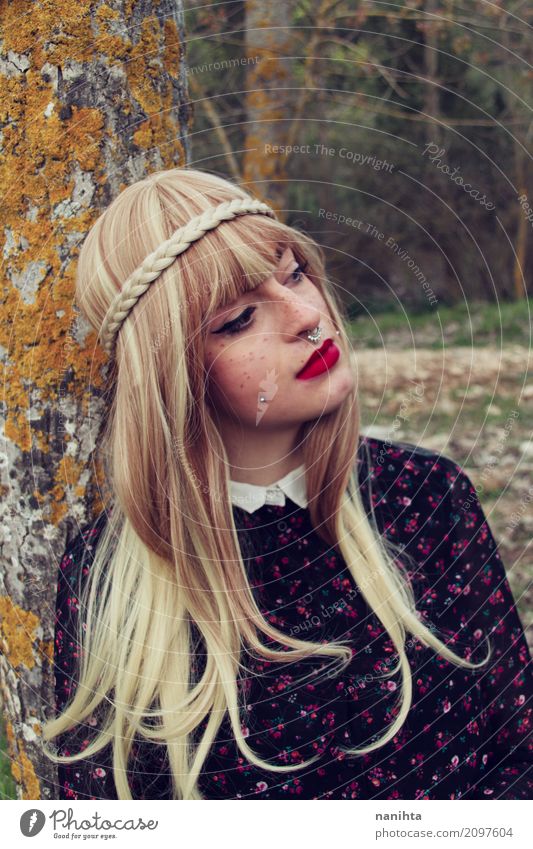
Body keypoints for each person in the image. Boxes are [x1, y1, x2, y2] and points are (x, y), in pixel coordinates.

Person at [41, 167, 533, 800]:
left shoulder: (425, 497)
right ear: (172, 374)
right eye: (242, 317)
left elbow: (516, 760)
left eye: (295, 273)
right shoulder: (104, 577)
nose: (307, 315)